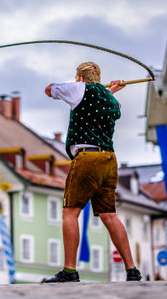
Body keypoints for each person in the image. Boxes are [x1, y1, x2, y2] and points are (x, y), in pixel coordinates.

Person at [42, 62, 141, 283]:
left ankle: (69, 270)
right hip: (109, 159)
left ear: (79, 77)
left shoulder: (79, 88)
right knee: (109, 215)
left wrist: (72, 85)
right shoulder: (111, 100)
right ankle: (132, 269)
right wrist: (110, 91)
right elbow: (103, 104)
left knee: (70, 213)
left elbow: (49, 89)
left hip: (87, 158)